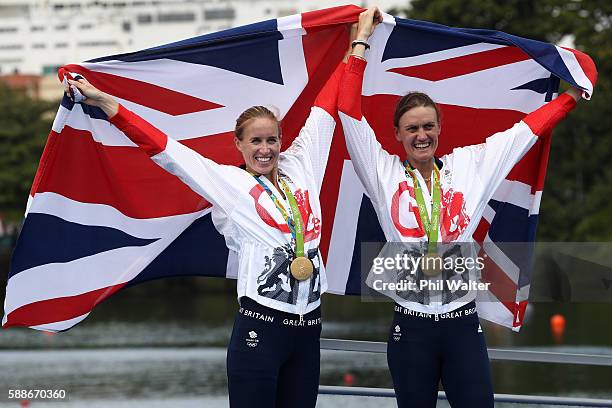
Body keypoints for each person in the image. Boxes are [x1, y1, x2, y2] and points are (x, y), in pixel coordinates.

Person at [65, 28, 357, 407]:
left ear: (282, 141)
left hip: (308, 332)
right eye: (255, 141)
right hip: (260, 332)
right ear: (239, 144)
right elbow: (166, 149)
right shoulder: (230, 184)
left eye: (272, 140)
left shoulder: (303, 165)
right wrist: (105, 102)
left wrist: (357, 45)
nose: (265, 149)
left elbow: (328, 104)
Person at [339, 7, 583, 408]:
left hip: (460, 323)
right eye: (413, 128)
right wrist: (361, 40)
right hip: (411, 327)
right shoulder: (383, 173)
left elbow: (525, 132)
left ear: (440, 129)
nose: (422, 135)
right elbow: (348, 112)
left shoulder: (470, 166)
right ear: (397, 135)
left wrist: (570, 97)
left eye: (429, 126)